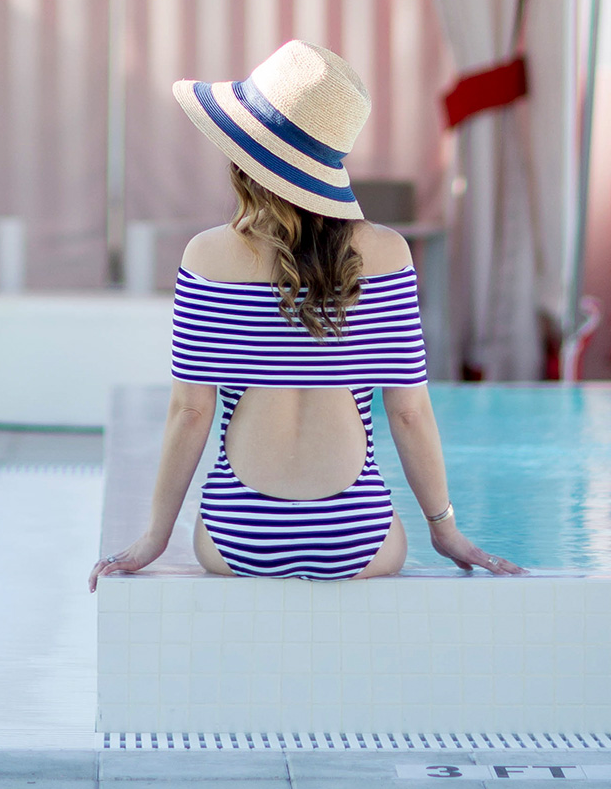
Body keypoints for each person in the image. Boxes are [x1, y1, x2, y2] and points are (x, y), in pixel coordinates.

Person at [89, 40, 523, 589]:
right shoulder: (387, 254)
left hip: (237, 535)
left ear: (245, 157)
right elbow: (409, 413)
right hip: (358, 539)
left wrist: (154, 536)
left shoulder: (207, 256)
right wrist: (446, 531)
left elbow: (190, 413)